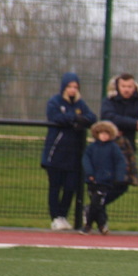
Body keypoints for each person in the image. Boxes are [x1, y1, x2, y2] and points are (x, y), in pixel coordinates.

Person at [40, 72, 97, 230]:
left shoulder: (80, 103)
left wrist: (81, 119)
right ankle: (55, 218)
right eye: (70, 86)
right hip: (56, 153)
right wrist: (75, 118)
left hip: (73, 154)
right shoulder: (55, 102)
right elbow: (56, 118)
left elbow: (92, 117)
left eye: (75, 87)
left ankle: (63, 216)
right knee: (55, 186)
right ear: (64, 87)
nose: (72, 90)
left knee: (70, 186)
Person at [100, 73, 138, 204]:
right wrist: (133, 123)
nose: (126, 89)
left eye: (129, 86)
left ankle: (94, 208)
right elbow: (108, 117)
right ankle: (97, 211)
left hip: (127, 149)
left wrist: (130, 124)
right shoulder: (109, 101)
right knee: (105, 182)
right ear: (118, 86)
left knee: (123, 184)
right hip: (108, 148)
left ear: (134, 87)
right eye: (123, 86)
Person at [80, 121, 127, 235]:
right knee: (98, 205)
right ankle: (102, 225)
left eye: (107, 134)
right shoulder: (91, 147)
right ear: (97, 134)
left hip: (105, 181)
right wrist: (90, 174)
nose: (104, 136)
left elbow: (120, 162)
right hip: (92, 181)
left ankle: (88, 225)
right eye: (102, 133)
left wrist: (119, 177)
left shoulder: (113, 148)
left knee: (96, 203)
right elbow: (86, 161)